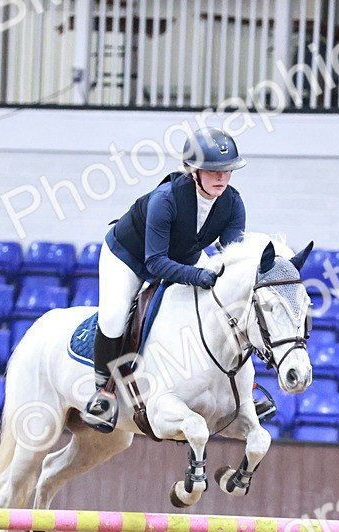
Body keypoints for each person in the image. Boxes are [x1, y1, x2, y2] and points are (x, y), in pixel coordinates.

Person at [81, 127, 248, 432]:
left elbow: (232, 255)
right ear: (193, 171)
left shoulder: (233, 203)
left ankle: (241, 393)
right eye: (212, 171)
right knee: (115, 315)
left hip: (183, 254)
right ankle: (103, 392)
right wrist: (198, 275)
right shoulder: (166, 199)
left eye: (227, 170)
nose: (221, 177)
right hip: (130, 256)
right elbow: (155, 262)